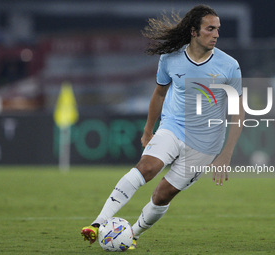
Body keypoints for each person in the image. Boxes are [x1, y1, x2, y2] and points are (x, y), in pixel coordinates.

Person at [81, 4, 244, 250]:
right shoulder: (170, 58)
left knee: (162, 195)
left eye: (218, 29)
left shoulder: (229, 66)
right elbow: (159, 94)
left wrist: (226, 154)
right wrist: (149, 129)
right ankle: (97, 224)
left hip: (206, 143)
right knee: (147, 167)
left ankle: (132, 234)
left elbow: (238, 111)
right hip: (172, 126)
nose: (216, 34)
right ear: (194, 31)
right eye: (210, 29)